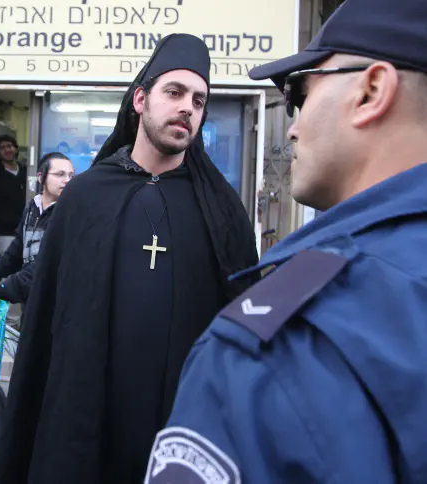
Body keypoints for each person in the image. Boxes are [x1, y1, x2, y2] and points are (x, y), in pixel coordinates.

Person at [144, 1, 427, 483]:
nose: (292, 127)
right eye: (174, 92)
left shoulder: (276, 353)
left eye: (299, 93)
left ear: (371, 91)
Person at [0, 34, 259, 484]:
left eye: (198, 100)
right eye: (174, 92)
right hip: (92, 411)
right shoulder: (86, 196)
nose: (187, 108)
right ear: (140, 99)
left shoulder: (222, 210)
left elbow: (241, 317)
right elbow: (50, 313)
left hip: (183, 419)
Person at [0, 153, 74, 309]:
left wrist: (3, 288)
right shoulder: (33, 206)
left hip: (56, 301)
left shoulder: (70, 214)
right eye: (60, 174)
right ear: (41, 177)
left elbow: (45, 264)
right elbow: (20, 245)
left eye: (71, 175)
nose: (67, 180)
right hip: (32, 298)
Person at [0, 134, 27, 259]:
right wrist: (15, 221)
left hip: (28, 232)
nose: (7, 150)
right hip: (6, 234)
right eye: (2, 148)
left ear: (16, 148)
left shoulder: (27, 172)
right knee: (9, 267)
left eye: (9, 146)